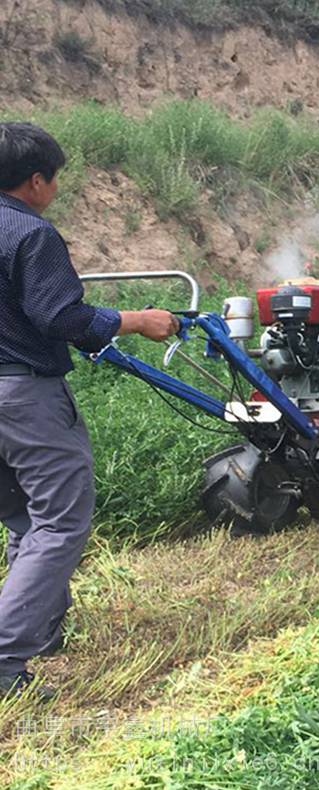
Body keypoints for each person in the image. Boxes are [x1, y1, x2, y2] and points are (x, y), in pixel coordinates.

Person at [0, 122, 180, 700]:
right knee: (60, 522)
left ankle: (40, 630)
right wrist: (138, 320)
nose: (55, 189)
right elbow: (62, 318)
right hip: (23, 396)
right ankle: (4, 661)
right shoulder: (30, 233)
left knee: (25, 516)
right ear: (35, 181)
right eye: (55, 180)